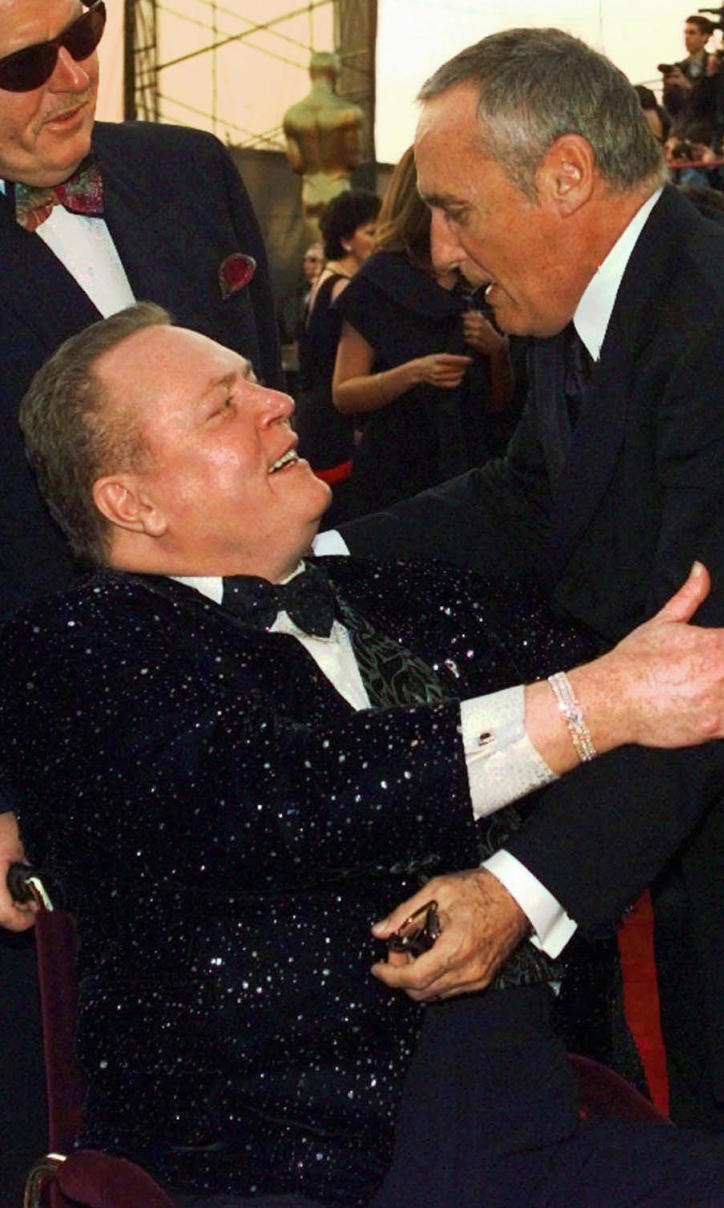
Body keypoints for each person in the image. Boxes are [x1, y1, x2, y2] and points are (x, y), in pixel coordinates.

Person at [0, 305, 724, 1208]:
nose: (279, 403)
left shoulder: (395, 592)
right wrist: (592, 706)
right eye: (223, 406)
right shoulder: (76, 648)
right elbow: (289, 793)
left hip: (521, 1124)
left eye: (257, 380)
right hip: (283, 1165)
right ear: (130, 503)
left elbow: (634, 679)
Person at [319, 27, 724, 1206]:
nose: (445, 256)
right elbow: (526, 496)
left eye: (457, 211)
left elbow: (703, 668)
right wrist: (315, 550)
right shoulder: (614, 304)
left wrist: (515, 892)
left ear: (567, 173)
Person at [0, 0, 281, 1197]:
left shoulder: (188, 170)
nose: (71, 75)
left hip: (257, 709)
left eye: (85, 28)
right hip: (59, 747)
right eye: (22, 61)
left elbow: (268, 407)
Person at [331, 146, 512, 517]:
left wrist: (498, 350)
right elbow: (344, 393)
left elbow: (503, 403)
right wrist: (414, 373)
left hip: (474, 467)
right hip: (397, 472)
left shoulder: (481, 272)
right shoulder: (381, 280)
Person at [296, 188, 380, 483]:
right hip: (332, 420)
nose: (379, 239)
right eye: (371, 232)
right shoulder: (346, 288)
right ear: (345, 241)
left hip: (315, 412)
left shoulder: (327, 278)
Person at [281, 51, 363, 228]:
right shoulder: (348, 113)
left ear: (311, 73)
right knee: (338, 245)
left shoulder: (293, 115)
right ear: (335, 73)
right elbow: (353, 158)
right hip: (337, 186)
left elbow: (297, 164)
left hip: (310, 189)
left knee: (317, 246)